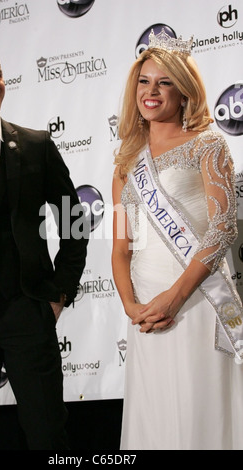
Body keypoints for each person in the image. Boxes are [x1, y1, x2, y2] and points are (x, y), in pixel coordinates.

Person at [0, 38, 88, 450]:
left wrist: (61, 291)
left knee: (48, 435)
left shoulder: (37, 144)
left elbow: (75, 221)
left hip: (29, 313)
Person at [112, 29, 243, 450]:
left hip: (196, 300)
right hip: (147, 311)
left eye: (165, 82)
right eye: (145, 82)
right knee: (156, 415)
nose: (152, 91)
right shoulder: (125, 163)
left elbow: (223, 227)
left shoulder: (208, 144)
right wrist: (132, 306)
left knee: (198, 409)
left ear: (184, 92)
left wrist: (174, 297)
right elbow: (119, 246)